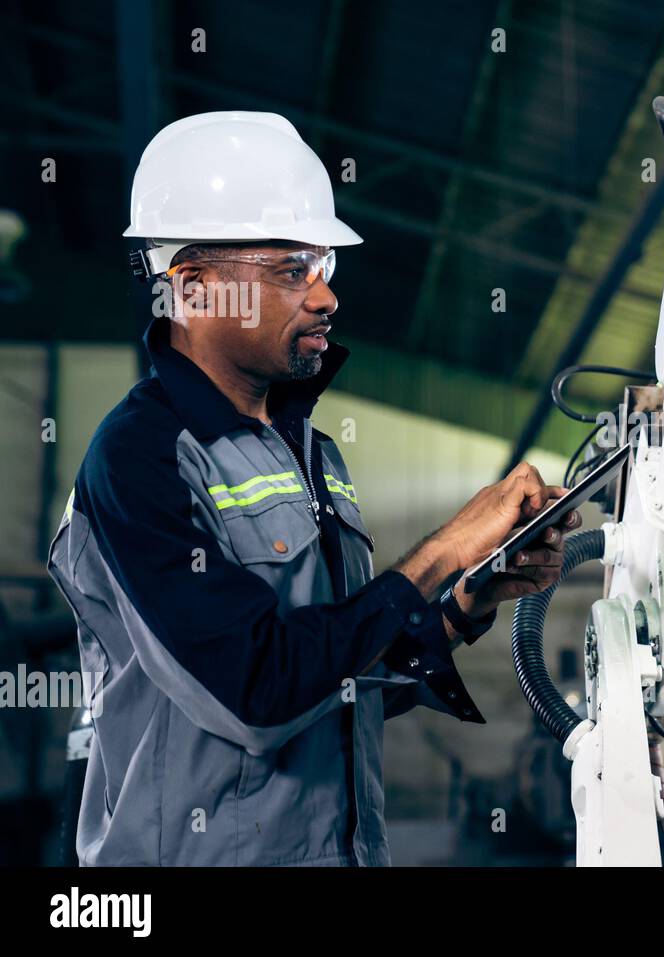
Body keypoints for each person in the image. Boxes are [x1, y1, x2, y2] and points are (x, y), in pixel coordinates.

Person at [47, 112, 578, 865]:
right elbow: (257, 693)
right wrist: (444, 549)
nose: (326, 297)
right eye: (292, 270)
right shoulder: (140, 459)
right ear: (195, 287)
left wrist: (465, 600)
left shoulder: (311, 453)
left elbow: (339, 685)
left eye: (324, 266)